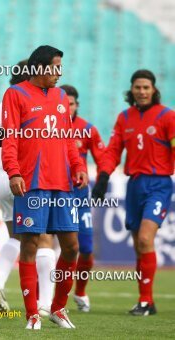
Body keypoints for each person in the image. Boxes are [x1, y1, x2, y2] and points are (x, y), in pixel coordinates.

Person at [2, 45, 88, 329]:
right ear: (39, 67)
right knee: (30, 244)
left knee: (72, 247)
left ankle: (58, 308)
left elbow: (67, 139)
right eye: (54, 67)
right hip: (32, 182)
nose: (58, 73)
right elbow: (9, 138)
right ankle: (32, 314)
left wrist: (78, 167)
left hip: (62, 184)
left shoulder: (62, 96)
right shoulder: (15, 94)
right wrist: (13, 171)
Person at [92, 70, 174, 316]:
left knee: (145, 239)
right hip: (135, 186)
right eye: (138, 87)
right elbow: (113, 151)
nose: (142, 91)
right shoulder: (124, 118)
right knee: (139, 246)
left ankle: (146, 302)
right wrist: (103, 176)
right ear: (132, 90)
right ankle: (145, 300)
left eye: (146, 87)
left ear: (154, 90)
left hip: (159, 184)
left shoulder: (167, 117)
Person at [60, 84, 106, 313]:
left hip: (79, 198)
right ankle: (46, 297)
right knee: (50, 247)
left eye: (71, 103)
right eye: (64, 103)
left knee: (85, 248)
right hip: (55, 195)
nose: (67, 107)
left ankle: (80, 292)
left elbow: (103, 158)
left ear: (77, 105)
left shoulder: (87, 129)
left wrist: (102, 180)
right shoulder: (47, 127)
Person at [0, 59, 29, 313]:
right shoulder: (25, 104)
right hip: (20, 177)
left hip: (0, 178)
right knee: (43, 240)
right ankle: (45, 305)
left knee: (15, 236)